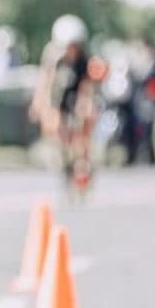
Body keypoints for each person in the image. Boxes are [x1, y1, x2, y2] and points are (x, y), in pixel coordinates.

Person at [29, 14, 99, 187]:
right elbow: (45, 81)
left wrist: (85, 107)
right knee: (56, 126)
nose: (72, 50)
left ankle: (83, 164)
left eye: (75, 45)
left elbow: (87, 88)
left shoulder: (84, 60)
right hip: (58, 95)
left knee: (84, 121)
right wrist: (39, 104)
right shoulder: (53, 57)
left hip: (76, 95)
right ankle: (63, 157)